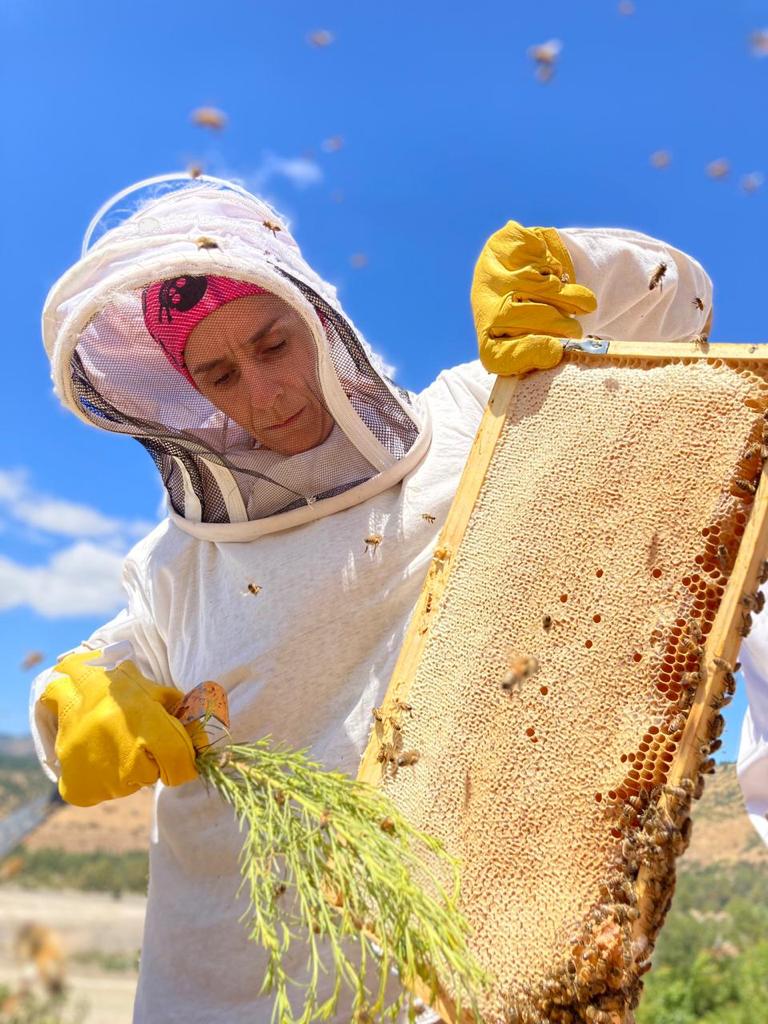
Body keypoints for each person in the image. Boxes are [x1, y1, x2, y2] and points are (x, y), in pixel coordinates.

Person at [27, 174, 765, 1024]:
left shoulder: (476, 418)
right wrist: (72, 699)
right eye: (221, 374)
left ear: (319, 322)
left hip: (452, 975)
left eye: (274, 345)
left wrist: (576, 266)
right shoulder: (172, 564)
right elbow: (96, 678)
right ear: (188, 397)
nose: (263, 394)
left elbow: (681, 314)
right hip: (224, 983)